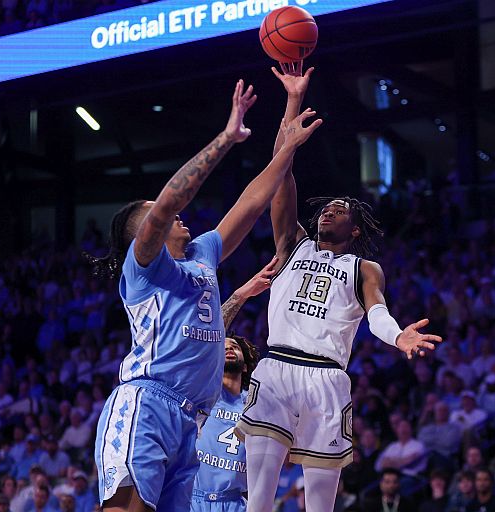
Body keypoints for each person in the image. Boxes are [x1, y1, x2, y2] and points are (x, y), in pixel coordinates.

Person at [90, 80, 322, 511]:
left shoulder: (201, 255)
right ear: (146, 233)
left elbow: (254, 199)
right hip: (147, 403)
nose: (176, 214)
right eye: (161, 215)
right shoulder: (144, 268)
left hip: (189, 417)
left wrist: (288, 141)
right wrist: (226, 138)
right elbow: (166, 203)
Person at [235, 67, 442, 512]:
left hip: (327, 380)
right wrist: (291, 103)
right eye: (326, 208)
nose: (328, 212)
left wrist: (398, 335)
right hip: (276, 370)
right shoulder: (292, 244)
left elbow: (377, 313)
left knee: (321, 505)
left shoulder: (364, 267)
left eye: (339, 209)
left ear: (355, 227)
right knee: (258, 500)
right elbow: (279, 170)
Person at [191, 263, 273, 512]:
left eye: (235, 347)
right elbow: (206, 334)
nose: (229, 348)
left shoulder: (256, 403)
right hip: (194, 499)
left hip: (236, 502)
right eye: (223, 346)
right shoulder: (204, 393)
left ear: (246, 366)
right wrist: (241, 295)